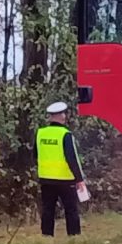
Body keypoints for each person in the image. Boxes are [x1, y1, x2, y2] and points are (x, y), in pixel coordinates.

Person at [35, 101, 85, 236]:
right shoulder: (66, 134)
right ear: (61, 116)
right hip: (65, 179)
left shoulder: (40, 133)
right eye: (63, 114)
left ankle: (46, 235)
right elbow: (72, 158)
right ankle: (74, 235)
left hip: (46, 178)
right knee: (71, 209)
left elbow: (35, 154)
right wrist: (79, 179)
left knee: (47, 209)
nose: (65, 116)